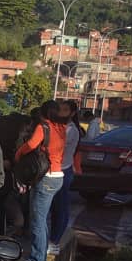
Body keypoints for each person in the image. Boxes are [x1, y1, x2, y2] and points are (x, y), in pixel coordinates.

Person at [16, 100, 69, 261]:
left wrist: (18, 153)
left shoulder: (43, 127)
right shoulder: (61, 128)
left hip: (46, 177)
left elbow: (31, 145)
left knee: (37, 220)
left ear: (42, 113)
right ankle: (44, 249)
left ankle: (37, 260)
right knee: (43, 216)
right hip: (58, 175)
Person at [0, 111, 33, 235]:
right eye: (24, 129)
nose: (25, 132)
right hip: (5, 182)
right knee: (7, 211)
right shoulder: (15, 141)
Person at [48, 101, 84, 253]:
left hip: (63, 170)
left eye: (65, 110)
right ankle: (52, 239)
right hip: (56, 170)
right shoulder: (60, 128)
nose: (61, 113)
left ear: (72, 113)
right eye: (59, 110)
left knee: (60, 207)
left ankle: (55, 241)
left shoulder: (70, 130)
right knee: (55, 208)